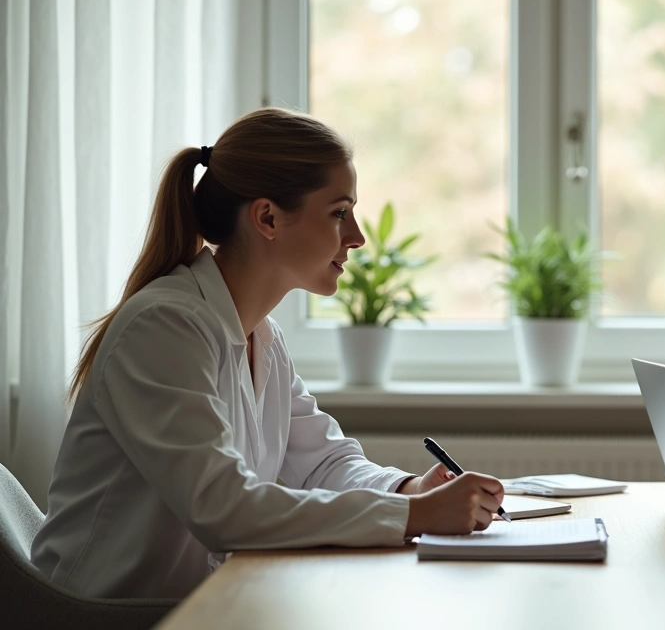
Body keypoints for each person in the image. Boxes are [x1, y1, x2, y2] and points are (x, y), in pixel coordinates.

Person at [31, 108, 506, 600]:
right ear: (267, 217)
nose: (357, 236)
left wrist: (408, 491)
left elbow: (321, 463)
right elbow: (223, 509)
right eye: (339, 212)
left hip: (195, 606)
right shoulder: (165, 326)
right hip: (103, 618)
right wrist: (413, 517)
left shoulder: (262, 336)